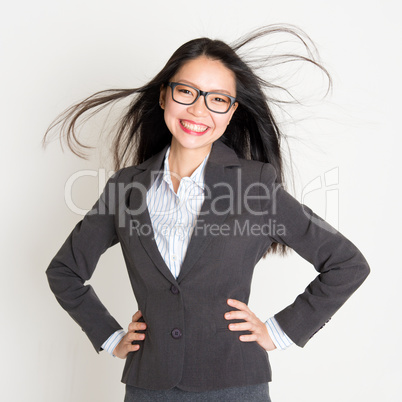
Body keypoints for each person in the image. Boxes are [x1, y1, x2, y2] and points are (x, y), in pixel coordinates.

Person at [44, 24, 370, 401]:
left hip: (235, 384)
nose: (199, 109)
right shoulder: (125, 187)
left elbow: (346, 263)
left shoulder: (256, 185)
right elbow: (64, 271)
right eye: (187, 92)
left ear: (231, 113)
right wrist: (110, 336)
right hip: (150, 386)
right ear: (164, 96)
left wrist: (279, 331)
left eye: (217, 99)